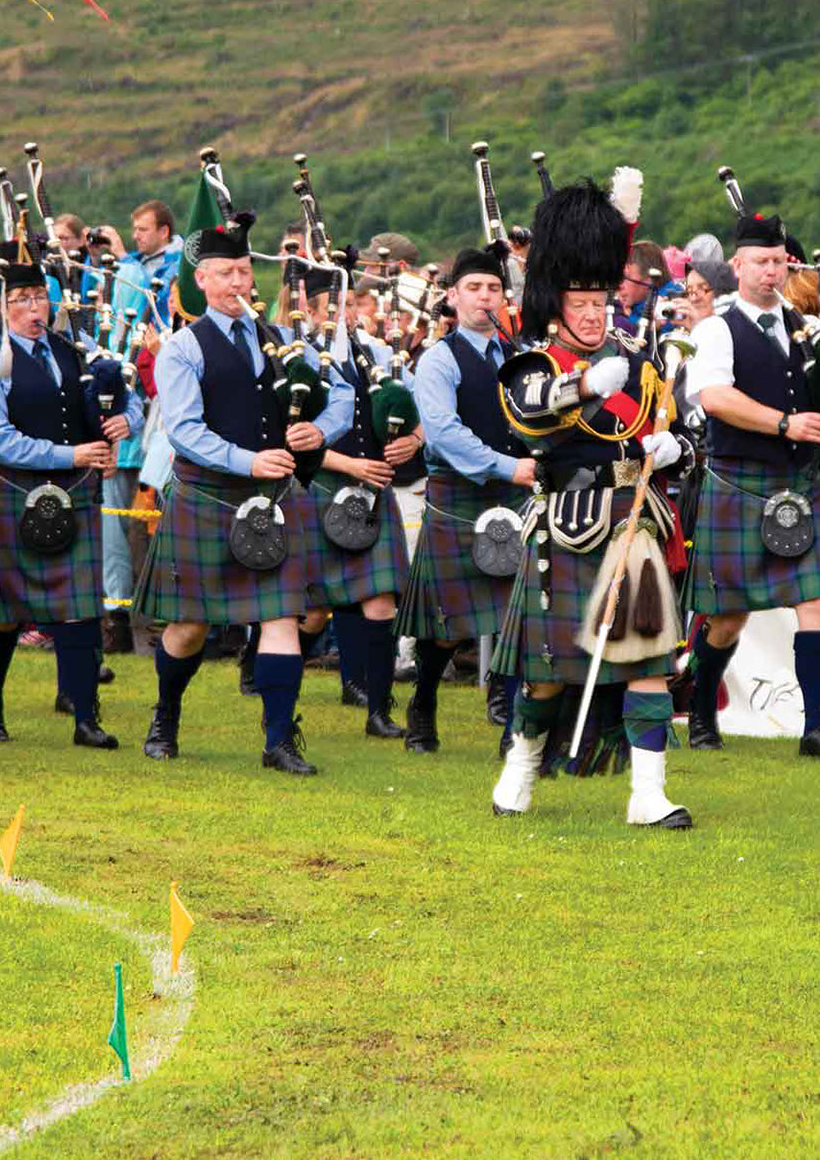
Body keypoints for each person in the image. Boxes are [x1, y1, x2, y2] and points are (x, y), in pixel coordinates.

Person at [485, 170, 694, 827]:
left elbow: (669, 424)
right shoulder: (536, 362)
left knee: (648, 660)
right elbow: (529, 416)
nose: (593, 313)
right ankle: (519, 770)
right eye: (580, 303)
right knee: (546, 673)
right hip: (568, 526)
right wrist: (583, 388)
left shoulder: (635, 356)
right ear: (555, 304)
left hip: (635, 523)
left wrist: (675, 450)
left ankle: (647, 795)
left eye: (600, 302)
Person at [135, 212, 344, 774]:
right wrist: (247, 459)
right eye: (224, 273)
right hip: (208, 496)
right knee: (190, 626)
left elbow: (343, 390)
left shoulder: (283, 339)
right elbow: (183, 429)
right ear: (200, 280)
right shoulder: (184, 348)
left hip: (276, 499)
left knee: (281, 616)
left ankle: (279, 741)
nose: (236, 284)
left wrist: (321, 430)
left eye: (245, 272)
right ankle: (166, 713)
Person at [680, 207, 820, 761]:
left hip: (801, 482)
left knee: (815, 601)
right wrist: (783, 422)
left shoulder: (810, 327)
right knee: (727, 617)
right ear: (738, 266)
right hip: (740, 481)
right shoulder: (716, 330)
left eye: (778, 261)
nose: (771, 271)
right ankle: (700, 705)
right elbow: (714, 397)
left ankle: (816, 727)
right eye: (760, 262)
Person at [0, 239, 136, 749]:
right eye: (22, 300)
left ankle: (86, 718)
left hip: (73, 493)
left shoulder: (72, 350)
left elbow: (130, 398)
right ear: (3, 306)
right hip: (14, 490)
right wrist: (73, 454)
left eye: (41, 298)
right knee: (4, 611)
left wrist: (125, 420)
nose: (35, 309)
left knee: (79, 607)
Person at [401, 245, 532, 754]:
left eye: (493, 289)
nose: (484, 298)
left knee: (516, 615)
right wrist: (508, 465)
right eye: (474, 289)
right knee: (447, 625)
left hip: (517, 494)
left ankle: (512, 728)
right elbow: (443, 433)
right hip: (459, 497)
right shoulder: (437, 360)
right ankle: (424, 699)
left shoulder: (521, 357)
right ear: (452, 298)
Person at [305, 264, 423, 741]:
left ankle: (379, 711)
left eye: (351, 305)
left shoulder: (378, 355)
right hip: (320, 489)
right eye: (333, 308)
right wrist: (351, 466)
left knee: (379, 603)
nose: (345, 314)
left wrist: (414, 440)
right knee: (309, 610)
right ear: (309, 314)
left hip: (373, 495)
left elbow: (425, 409)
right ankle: (268, 678)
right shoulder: (300, 358)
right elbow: (294, 441)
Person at [102, 198, 183, 653]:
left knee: (153, 532)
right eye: (132, 228)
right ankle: (116, 622)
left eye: (144, 228)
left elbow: (162, 393)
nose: (136, 234)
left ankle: (157, 624)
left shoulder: (177, 332)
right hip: (123, 440)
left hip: (159, 449)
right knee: (117, 529)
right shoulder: (127, 272)